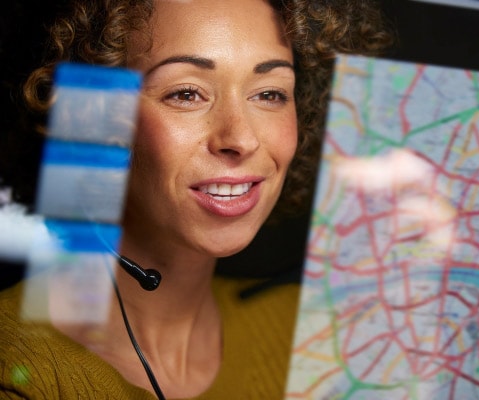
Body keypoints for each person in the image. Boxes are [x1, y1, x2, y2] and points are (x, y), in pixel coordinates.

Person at [0, 0, 393, 398]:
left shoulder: (319, 335)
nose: (241, 139)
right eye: (187, 94)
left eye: (270, 93)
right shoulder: (21, 370)